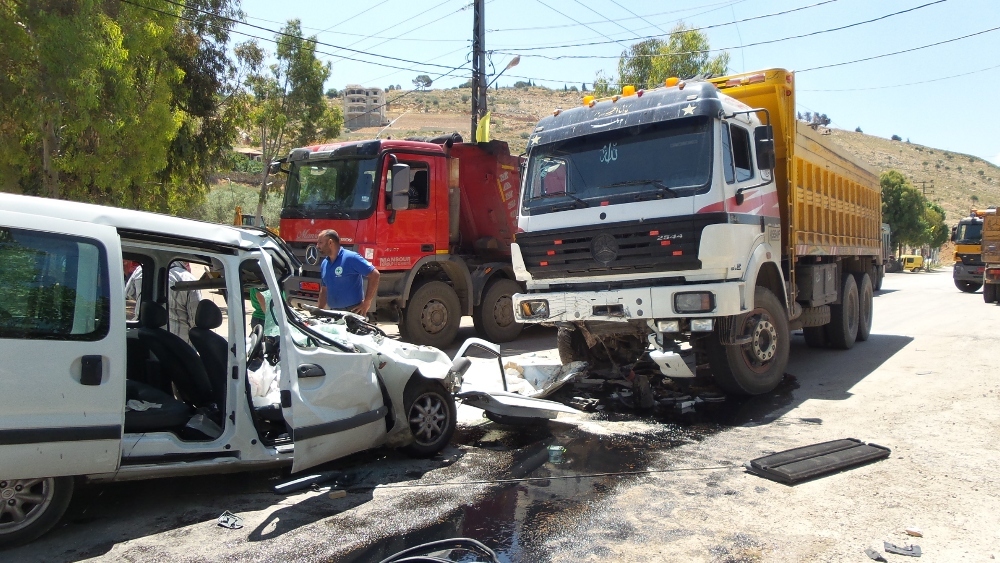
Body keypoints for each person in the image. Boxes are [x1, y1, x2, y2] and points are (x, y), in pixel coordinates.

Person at [125, 262, 202, 344]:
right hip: (179, 346)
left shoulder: (140, 271)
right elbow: (196, 321)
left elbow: (128, 295)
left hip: (143, 339)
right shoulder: (188, 280)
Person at [316, 229, 380, 316]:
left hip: (353, 312)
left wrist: (367, 302)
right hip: (334, 313)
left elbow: (375, 274)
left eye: (320, 243)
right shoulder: (325, 263)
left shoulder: (351, 258)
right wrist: (319, 312)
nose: (317, 246)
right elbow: (324, 290)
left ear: (330, 243)